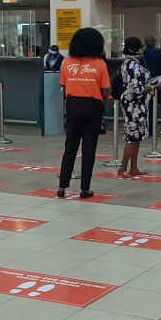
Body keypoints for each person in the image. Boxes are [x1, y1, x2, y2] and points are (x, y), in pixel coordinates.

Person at [58, 28, 111, 198]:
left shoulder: (67, 62)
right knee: (89, 149)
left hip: (72, 106)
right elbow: (105, 91)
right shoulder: (100, 64)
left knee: (70, 147)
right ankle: (84, 189)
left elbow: (64, 87)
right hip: (92, 107)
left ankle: (62, 186)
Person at [116, 37, 154, 176]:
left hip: (134, 104)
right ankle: (123, 168)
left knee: (136, 137)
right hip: (134, 105)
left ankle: (133, 168)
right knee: (132, 137)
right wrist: (152, 87)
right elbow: (136, 89)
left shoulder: (128, 63)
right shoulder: (133, 65)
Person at [142, 36, 161, 137]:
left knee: (149, 106)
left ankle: (149, 130)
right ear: (155, 42)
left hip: (148, 83)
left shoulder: (142, 54)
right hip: (160, 82)